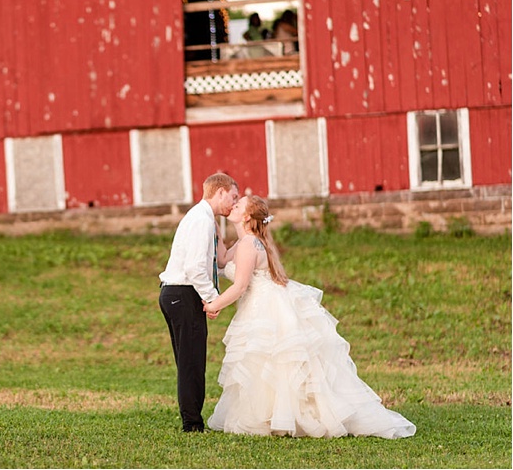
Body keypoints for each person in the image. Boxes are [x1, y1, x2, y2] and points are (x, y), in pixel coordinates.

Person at [203, 195, 416, 439]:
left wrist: (213, 305)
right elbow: (222, 260)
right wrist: (215, 232)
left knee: (277, 359)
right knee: (262, 362)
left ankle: (292, 415)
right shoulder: (244, 243)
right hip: (258, 305)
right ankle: (271, 413)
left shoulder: (250, 244)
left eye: (238, 205)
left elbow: (240, 285)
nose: (234, 205)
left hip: (266, 306)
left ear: (247, 216)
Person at [159, 173, 239, 433]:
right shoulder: (201, 220)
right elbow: (195, 268)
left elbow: (208, 262)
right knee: (192, 363)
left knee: (189, 362)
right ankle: (192, 424)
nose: (234, 203)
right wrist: (212, 299)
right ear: (220, 192)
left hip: (178, 293)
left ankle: (191, 419)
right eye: (233, 197)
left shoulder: (203, 218)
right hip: (183, 294)